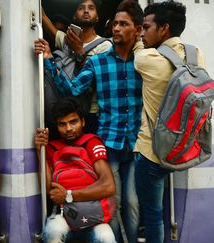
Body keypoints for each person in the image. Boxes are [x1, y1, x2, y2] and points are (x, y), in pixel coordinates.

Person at [35, 1, 143, 242]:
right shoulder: (98, 61)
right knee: (112, 205)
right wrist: (50, 60)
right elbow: (72, 90)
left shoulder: (144, 62)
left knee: (133, 204)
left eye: (123, 24)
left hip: (137, 144)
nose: (116, 28)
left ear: (137, 30)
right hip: (109, 141)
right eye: (114, 23)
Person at [133, 1, 206, 243]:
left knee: (153, 216)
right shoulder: (197, 55)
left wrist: (135, 38)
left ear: (163, 29)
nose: (142, 33)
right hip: (184, 147)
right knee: (161, 213)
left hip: (151, 152)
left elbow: (136, 50)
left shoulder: (146, 59)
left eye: (146, 27)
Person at [34, 97, 116, 243]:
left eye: (73, 122)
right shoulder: (52, 148)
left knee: (107, 238)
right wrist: (41, 151)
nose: (69, 129)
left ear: (83, 122)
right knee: (53, 231)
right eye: (62, 124)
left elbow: (109, 186)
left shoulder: (91, 142)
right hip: (64, 215)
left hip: (94, 216)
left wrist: (68, 195)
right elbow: (48, 190)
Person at [43, 0, 112, 134]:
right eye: (81, 8)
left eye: (91, 8)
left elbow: (96, 80)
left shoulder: (105, 46)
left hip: (90, 112)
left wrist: (80, 52)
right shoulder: (68, 41)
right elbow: (44, 19)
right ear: (74, 16)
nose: (86, 11)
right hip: (65, 110)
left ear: (97, 17)